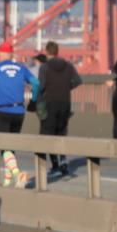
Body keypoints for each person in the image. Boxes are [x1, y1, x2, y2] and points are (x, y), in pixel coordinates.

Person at [0, 41, 39, 188]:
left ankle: (17, 174)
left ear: (1, 54)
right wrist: (33, 101)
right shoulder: (21, 68)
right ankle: (7, 182)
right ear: (11, 54)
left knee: (4, 146)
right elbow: (36, 83)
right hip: (19, 111)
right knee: (11, 147)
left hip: (2, 110)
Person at [37, 41, 81, 176]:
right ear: (57, 51)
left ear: (47, 52)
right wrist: (66, 88)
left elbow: (41, 86)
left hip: (50, 103)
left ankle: (55, 165)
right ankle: (63, 163)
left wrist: (37, 100)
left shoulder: (44, 67)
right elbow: (78, 81)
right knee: (61, 133)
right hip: (65, 103)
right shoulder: (68, 66)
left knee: (48, 134)